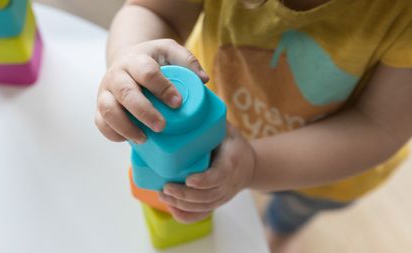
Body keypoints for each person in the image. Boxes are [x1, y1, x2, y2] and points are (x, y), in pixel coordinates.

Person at [94, 0, 412, 251]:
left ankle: (279, 233)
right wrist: (129, 56)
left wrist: (256, 165)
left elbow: (378, 125)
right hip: (212, 126)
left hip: (321, 169)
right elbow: (152, 9)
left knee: (291, 211)